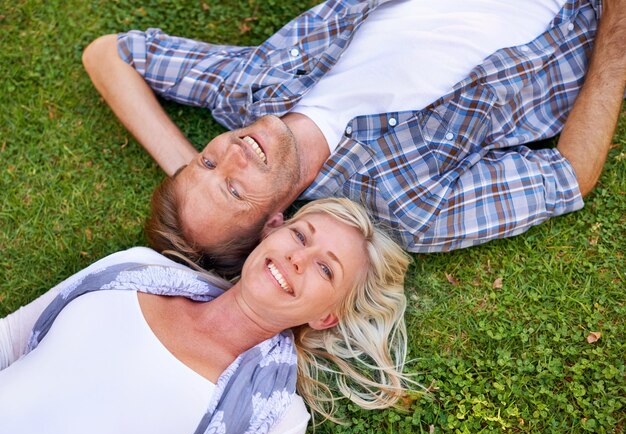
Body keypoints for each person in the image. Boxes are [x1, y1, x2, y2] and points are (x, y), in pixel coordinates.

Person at [82, 0, 626, 275]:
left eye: (207, 162)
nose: (233, 153)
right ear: (277, 222)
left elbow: (108, 53)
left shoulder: (248, 90)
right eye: (234, 189)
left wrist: (189, 172)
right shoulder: (410, 205)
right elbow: (568, 176)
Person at [0, 198, 412, 434]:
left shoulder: (276, 419)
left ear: (326, 317)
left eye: (326, 269)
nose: (297, 257)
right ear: (272, 232)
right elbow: (11, 338)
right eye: (300, 235)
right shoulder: (137, 268)